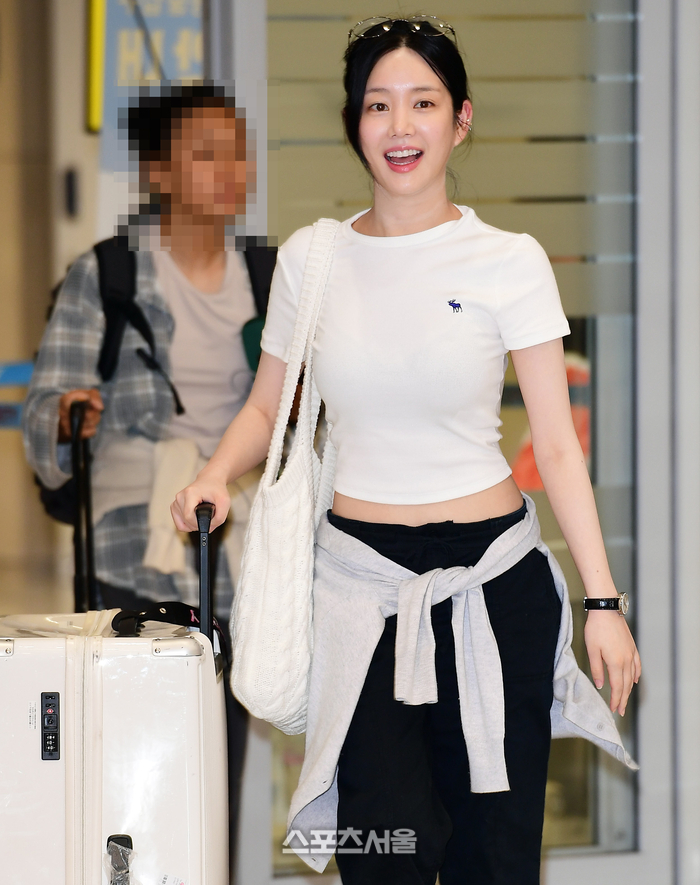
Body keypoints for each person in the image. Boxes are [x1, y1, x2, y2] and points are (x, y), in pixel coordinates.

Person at [172, 18, 641, 885]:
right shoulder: (313, 260)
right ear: (355, 123)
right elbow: (268, 405)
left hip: (495, 585)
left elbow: (555, 446)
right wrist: (213, 472)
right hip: (360, 592)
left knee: (493, 859)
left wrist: (602, 600)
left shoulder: (509, 260)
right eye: (378, 105)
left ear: (460, 119)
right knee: (379, 854)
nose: (400, 126)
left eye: (423, 103)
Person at [23, 82, 275, 876]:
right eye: (206, 153)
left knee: (219, 761)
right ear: (159, 171)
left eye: (237, 151)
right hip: (133, 549)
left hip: (245, 554)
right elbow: (44, 416)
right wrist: (71, 415)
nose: (230, 168)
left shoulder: (272, 275)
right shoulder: (108, 275)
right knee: (128, 768)